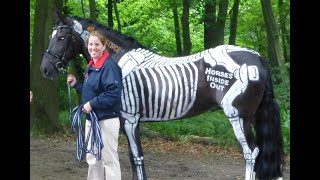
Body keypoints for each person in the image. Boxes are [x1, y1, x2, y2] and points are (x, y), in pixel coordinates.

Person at [67, 30, 122, 180]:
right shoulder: (91, 66)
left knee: (109, 160)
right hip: (92, 121)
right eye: (90, 44)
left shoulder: (110, 67)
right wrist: (76, 85)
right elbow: (89, 91)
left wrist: (91, 104)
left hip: (107, 121)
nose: (93, 48)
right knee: (93, 159)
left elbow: (113, 94)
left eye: (97, 44)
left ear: (104, 46)